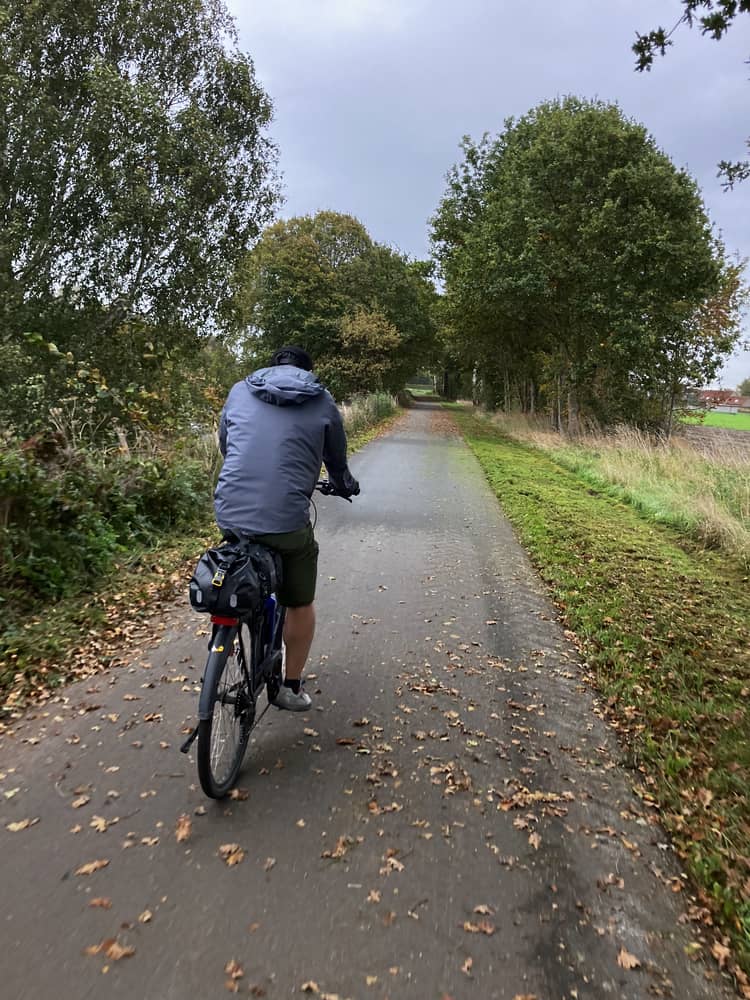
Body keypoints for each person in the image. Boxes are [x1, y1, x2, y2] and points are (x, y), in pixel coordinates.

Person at [214, 345, 359, 710]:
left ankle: (224, 646)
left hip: (231, 510)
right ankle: (290, 686)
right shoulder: (321, 399)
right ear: (307, 372)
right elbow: (336, 459)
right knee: (300, 599)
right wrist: (343, 484)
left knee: (236, 566)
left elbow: (225, 443)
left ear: (271, 366)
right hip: (285, 521)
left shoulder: (239, 390)